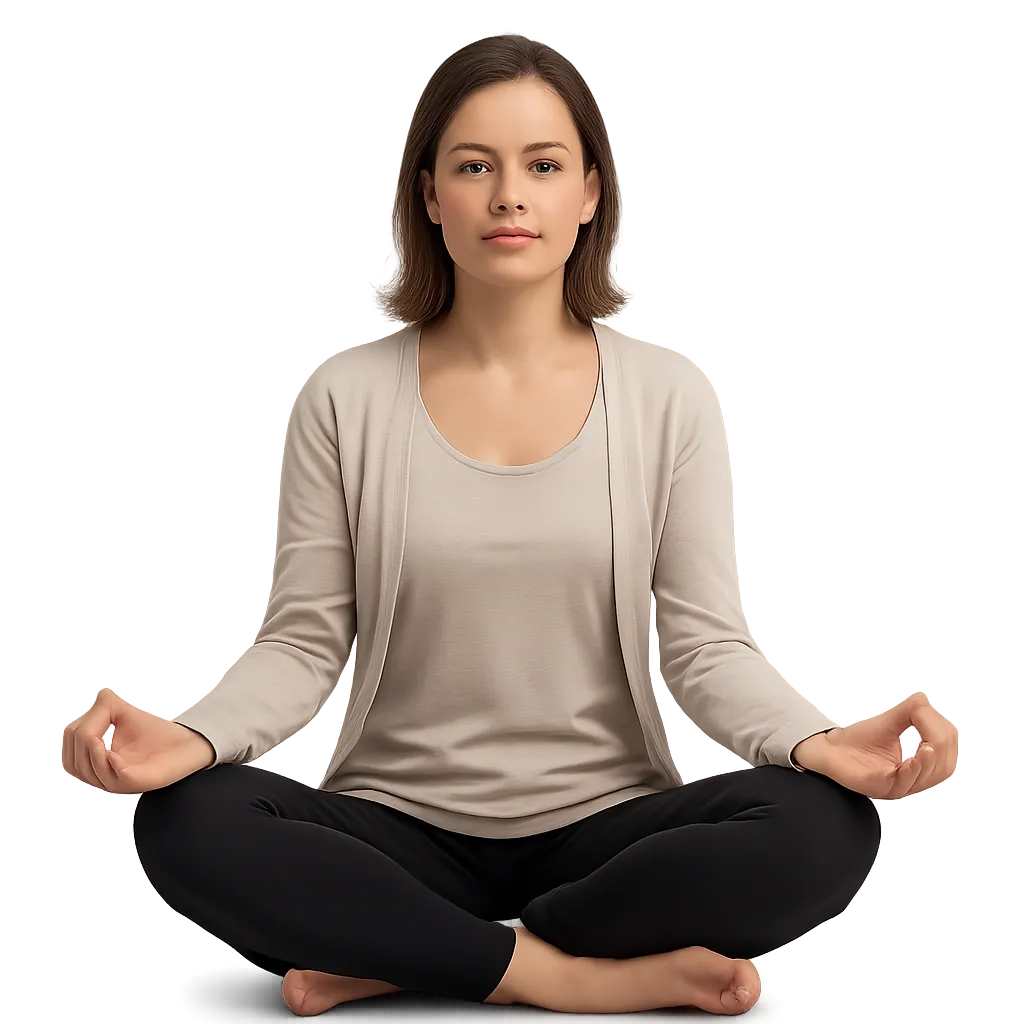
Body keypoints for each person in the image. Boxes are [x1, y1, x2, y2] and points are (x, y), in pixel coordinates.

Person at [57, 34, 960, 1017]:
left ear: (589, 194)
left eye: (542, 165)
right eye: (474, 167)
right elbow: (303, 640)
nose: (508, 197)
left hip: (608, 835)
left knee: (823, 826)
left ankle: (407, 955)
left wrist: (819, 742)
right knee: (189, 822)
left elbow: (704, 643)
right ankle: (564, 975)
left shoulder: (669, 396)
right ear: (430, 196)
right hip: (393, 832)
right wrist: (188, 738)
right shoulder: (343, 394)